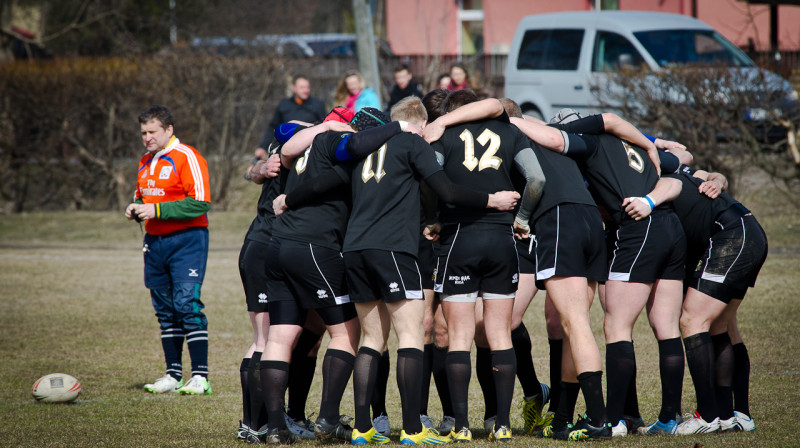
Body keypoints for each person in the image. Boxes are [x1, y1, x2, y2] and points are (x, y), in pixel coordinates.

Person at [424, 90, 546, 443]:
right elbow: (536, 179)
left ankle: (461, 425)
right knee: (498, 334)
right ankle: (503, 423)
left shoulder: (443, 134)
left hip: (459, 238)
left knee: (460, 337)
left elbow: (429, 182)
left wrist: (432, 219)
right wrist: (522, 218)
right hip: (500, 240)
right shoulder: (511, 131)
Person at [662, 165, 767, 435]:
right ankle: (733, 414)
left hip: (731, 236)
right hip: (747, 231)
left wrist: (717, 181)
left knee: (692, 320)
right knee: (722, 325)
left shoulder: (662, 171)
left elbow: (705, 171)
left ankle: (706, 415)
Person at [126, 105, 212, 396]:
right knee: (165, 311)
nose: (146, 138)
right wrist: (135, 206)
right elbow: (143, 195)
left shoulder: (187, 156)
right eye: (143, 133)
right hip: (155, 244)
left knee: (187, 304)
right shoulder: (145, 161)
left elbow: (200, 202)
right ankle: (173, 374)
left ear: (169, 130)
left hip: (187, 241)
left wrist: (156, 209)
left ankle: (200, 376)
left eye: (152, 132)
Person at [251, 75, 326, 172]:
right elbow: (273, 127)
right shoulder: (284, 105)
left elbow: (324, 125)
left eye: (307, 87)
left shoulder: (317, 105)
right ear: (294, 88)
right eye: (302, 87)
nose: (306, 90)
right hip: (286, 151)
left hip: (309, 151)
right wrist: (262, 147)